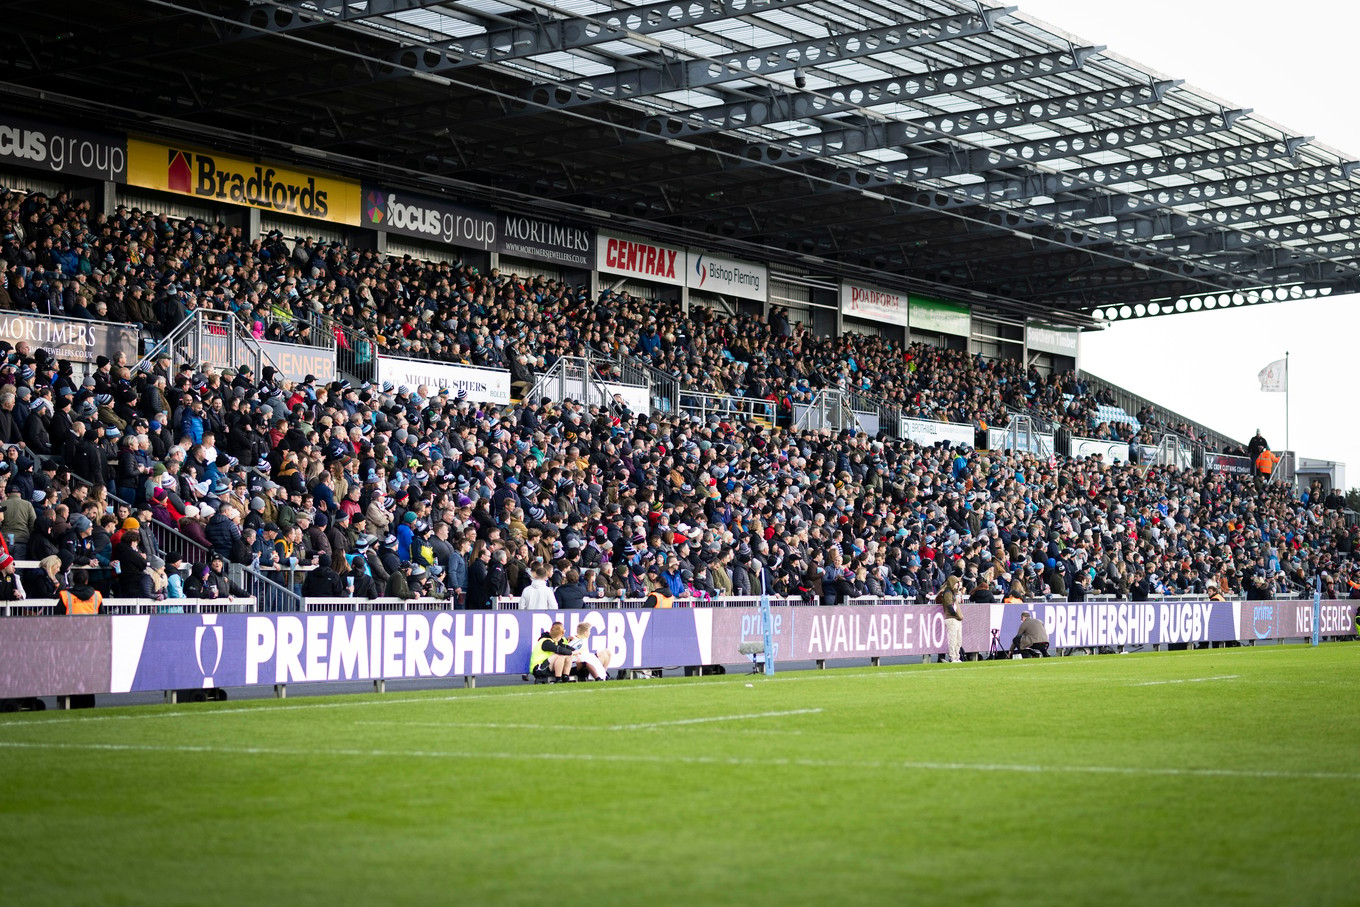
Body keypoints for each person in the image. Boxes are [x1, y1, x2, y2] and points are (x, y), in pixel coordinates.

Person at [937, 573, 964, 663]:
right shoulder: (948, 593)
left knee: (958, 640)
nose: (958, 585)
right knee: (953, 639)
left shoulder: (952, 593)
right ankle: (952, 657)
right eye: (956, 583)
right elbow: (949, 605)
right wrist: (955, 614)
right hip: (952, 618)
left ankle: (956, 656)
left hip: (956, 619)